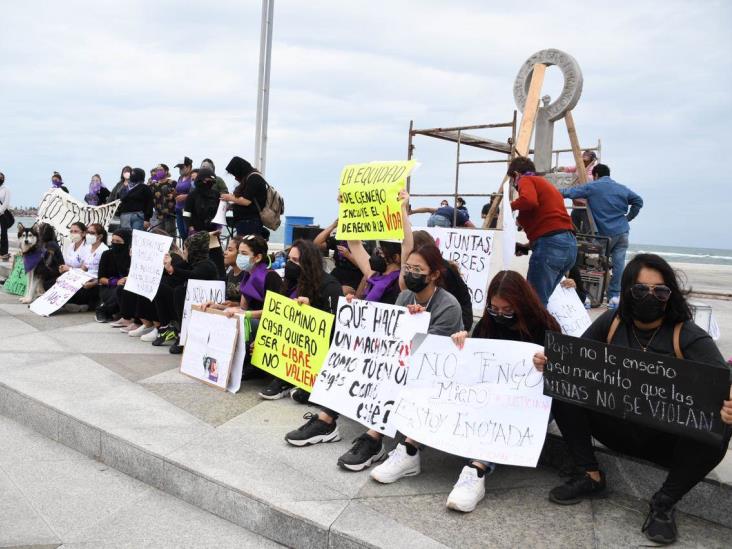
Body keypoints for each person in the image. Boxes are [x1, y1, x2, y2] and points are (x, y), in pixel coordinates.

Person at [533, 253, 732, 545]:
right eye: (640, 290)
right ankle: (590, 475)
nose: (650, 297)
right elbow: (572, 360)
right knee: (563, 385)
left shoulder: (688, 335)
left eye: (660, 291)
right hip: (618, 426)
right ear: (627, 292)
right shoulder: (612, 323)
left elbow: (723, 382)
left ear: (670, 295)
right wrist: (548, 361)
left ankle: (664, 502)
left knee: (723, 427)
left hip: (665, 439)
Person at [445, 270, 561, 512]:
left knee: (501, 412)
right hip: (491, 397)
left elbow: (562, 378)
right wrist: (461, 344)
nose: (499, 315)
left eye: (507, 310)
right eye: (494, 308)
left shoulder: (546, 326)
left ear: (522, 304)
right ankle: (411, 449)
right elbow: (473, 368)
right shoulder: (487, 325)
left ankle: (476, 470)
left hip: (532, 404)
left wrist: (549, 364)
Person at [365, 244, 464, 483]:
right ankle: (372, 438)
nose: (410, 274)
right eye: (407, 268)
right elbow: (392, 337)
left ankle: (406, 451)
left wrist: (418, 323)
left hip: (436, 376)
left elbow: (429, 355)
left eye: (417, 269)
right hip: (405, 365)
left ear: (434, 274)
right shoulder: (404, 296)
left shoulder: (448, 305)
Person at [262, 239, 342, 400]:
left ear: (309, 263)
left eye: (296, 260)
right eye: (289, 259)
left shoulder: (329, 285)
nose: (290, 264)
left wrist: (311, 308)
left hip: (322, 346)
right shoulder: (291, 281)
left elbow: (335, 324)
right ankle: (286, 377)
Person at [560, 163, 644, 309]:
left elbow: (570, 192)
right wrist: (628, 217)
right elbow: (639, 201)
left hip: (604, 236)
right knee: (618, 264)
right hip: (622, 232)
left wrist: (551, 190)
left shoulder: (593, 187)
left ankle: (586, 296)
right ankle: (614, 297)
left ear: (596, 175)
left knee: (591, 264)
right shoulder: (621, 188)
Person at [508, 156, 577, 306]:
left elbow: (529, 201)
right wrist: (527, 247)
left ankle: (534, 329)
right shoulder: (546, 185)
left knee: (533, 302)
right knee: (539, 301)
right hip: (569, 245)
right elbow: (552, 226)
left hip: (551, 245)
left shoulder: (526, 180)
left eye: (513, 180)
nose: (514, 185)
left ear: (516, 174)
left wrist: (510, 206)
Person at [155, 231, 220, 354]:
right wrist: (166, 265)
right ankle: (165, 327)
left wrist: (172, 270)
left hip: (205, 307)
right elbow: (172, 271)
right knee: (162, 289)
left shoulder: (207, 265)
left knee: (180, 291)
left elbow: (194, 275)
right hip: (188, 307)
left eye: (185, 249)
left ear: (193, 251)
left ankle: (183, 334)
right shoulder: (190, 262)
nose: (183, 251)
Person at [313, 219, 367, 294]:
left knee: (341, 291)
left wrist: (348, 255)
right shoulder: (339, 238)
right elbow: (316, 244)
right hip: (337, 274)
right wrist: (333, 226)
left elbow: (367, 267)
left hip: (355, 277)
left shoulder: (366, 242)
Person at [222, 156, 269, 239]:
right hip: (245, 221)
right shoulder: (249, 178)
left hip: (250, 222)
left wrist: (229, 197)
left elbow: (246, 201)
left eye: (235, 174)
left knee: (246, 245)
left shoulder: (254, 178)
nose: (235, 177)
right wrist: (231, 206)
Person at [558, 149, 599, 233]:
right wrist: (563, 169)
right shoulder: (578, 167)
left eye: (586, 159)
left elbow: (589, 180)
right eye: (582, 158)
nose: (583, 161)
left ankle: (590, 242)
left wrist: (586, 169)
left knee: (587, 229)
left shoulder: (593, 170)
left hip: (586, 206)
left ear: (592, 160)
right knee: (573, 227)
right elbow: (569, 169)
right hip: (576, 204)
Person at [95, 229, 131, 323]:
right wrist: (115, 282)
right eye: (113, 241)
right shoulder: (107, 254)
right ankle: (104, 310)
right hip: (109, 286)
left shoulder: (132, 255)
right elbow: (101, 279)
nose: (115, 244)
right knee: (119, 291)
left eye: (118, 241)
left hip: (128, 285)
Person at [149, 164, 177, 236]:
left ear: (166, 171)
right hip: (159, 215)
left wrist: (173, 196)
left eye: (161, 170)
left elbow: (177, 195)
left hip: (170, 215)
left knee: (170, 235)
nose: (158, 172)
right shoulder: (153, 185)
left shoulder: (173, 183)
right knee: (160, 236)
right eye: (157, 170)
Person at [409, 202, 474, 228]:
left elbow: (427, 209)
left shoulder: (444, 208)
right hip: (443, 220)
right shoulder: (463, 216)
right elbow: (472, 227)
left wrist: (412, 211)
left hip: (431, 219)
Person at [174, 156, 194, 238]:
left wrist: (186, 196)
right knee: (182, 233)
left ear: (189, 167)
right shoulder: (180, 178)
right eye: (179, 167)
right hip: (178, 209)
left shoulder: (192, 178)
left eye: (182, 167)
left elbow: (196, 193)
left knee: (188, 232)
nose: (180, 169)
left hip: (187, 209)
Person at [0, 172, 11, 260]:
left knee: (3, 234)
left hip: (3, 214)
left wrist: (0, 211)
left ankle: (4, 252)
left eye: (1, 177)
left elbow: (6, 202)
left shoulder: (6, 189)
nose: (0, 179)